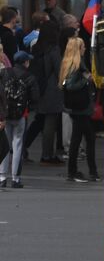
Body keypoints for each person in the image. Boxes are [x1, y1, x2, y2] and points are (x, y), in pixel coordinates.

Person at [20, 15, 62, 164]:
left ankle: (23, 147)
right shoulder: (54, 49)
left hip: (39, 86)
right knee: (50, 120)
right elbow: (58, 70)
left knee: (39, 120)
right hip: (51, 89)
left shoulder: (38, 46)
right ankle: (47, 155)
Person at [58, 37, 99, 183]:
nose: (85, 49)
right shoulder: (76, 66)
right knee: (87, 139)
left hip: (77, 108)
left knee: (79, 139)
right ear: (78, 49)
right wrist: (86, 80)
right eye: (83, 47)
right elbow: (70, 86)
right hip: (81, 108)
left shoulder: (68, 64)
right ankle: (87, 172)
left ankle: (77, 171)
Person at [0, 51, 38, 188]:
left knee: (4, 145)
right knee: (17, 145)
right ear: (25, 62)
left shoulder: (4, 73)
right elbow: (35, 98)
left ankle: (2, 177)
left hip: (5, 115)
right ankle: (15, 178)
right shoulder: (30, 77)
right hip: (21, 115)